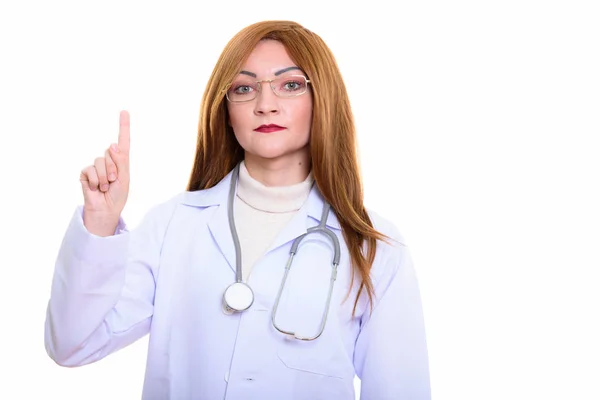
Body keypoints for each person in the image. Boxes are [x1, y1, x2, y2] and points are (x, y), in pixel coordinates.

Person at [44, 20, 431, 400]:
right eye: (244, 88)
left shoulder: (372, 246)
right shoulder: (173, 225)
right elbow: (71, 345)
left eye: (290, 85)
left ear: (322, 99)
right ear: (225, 110)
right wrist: (99, 221)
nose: (266, 105)